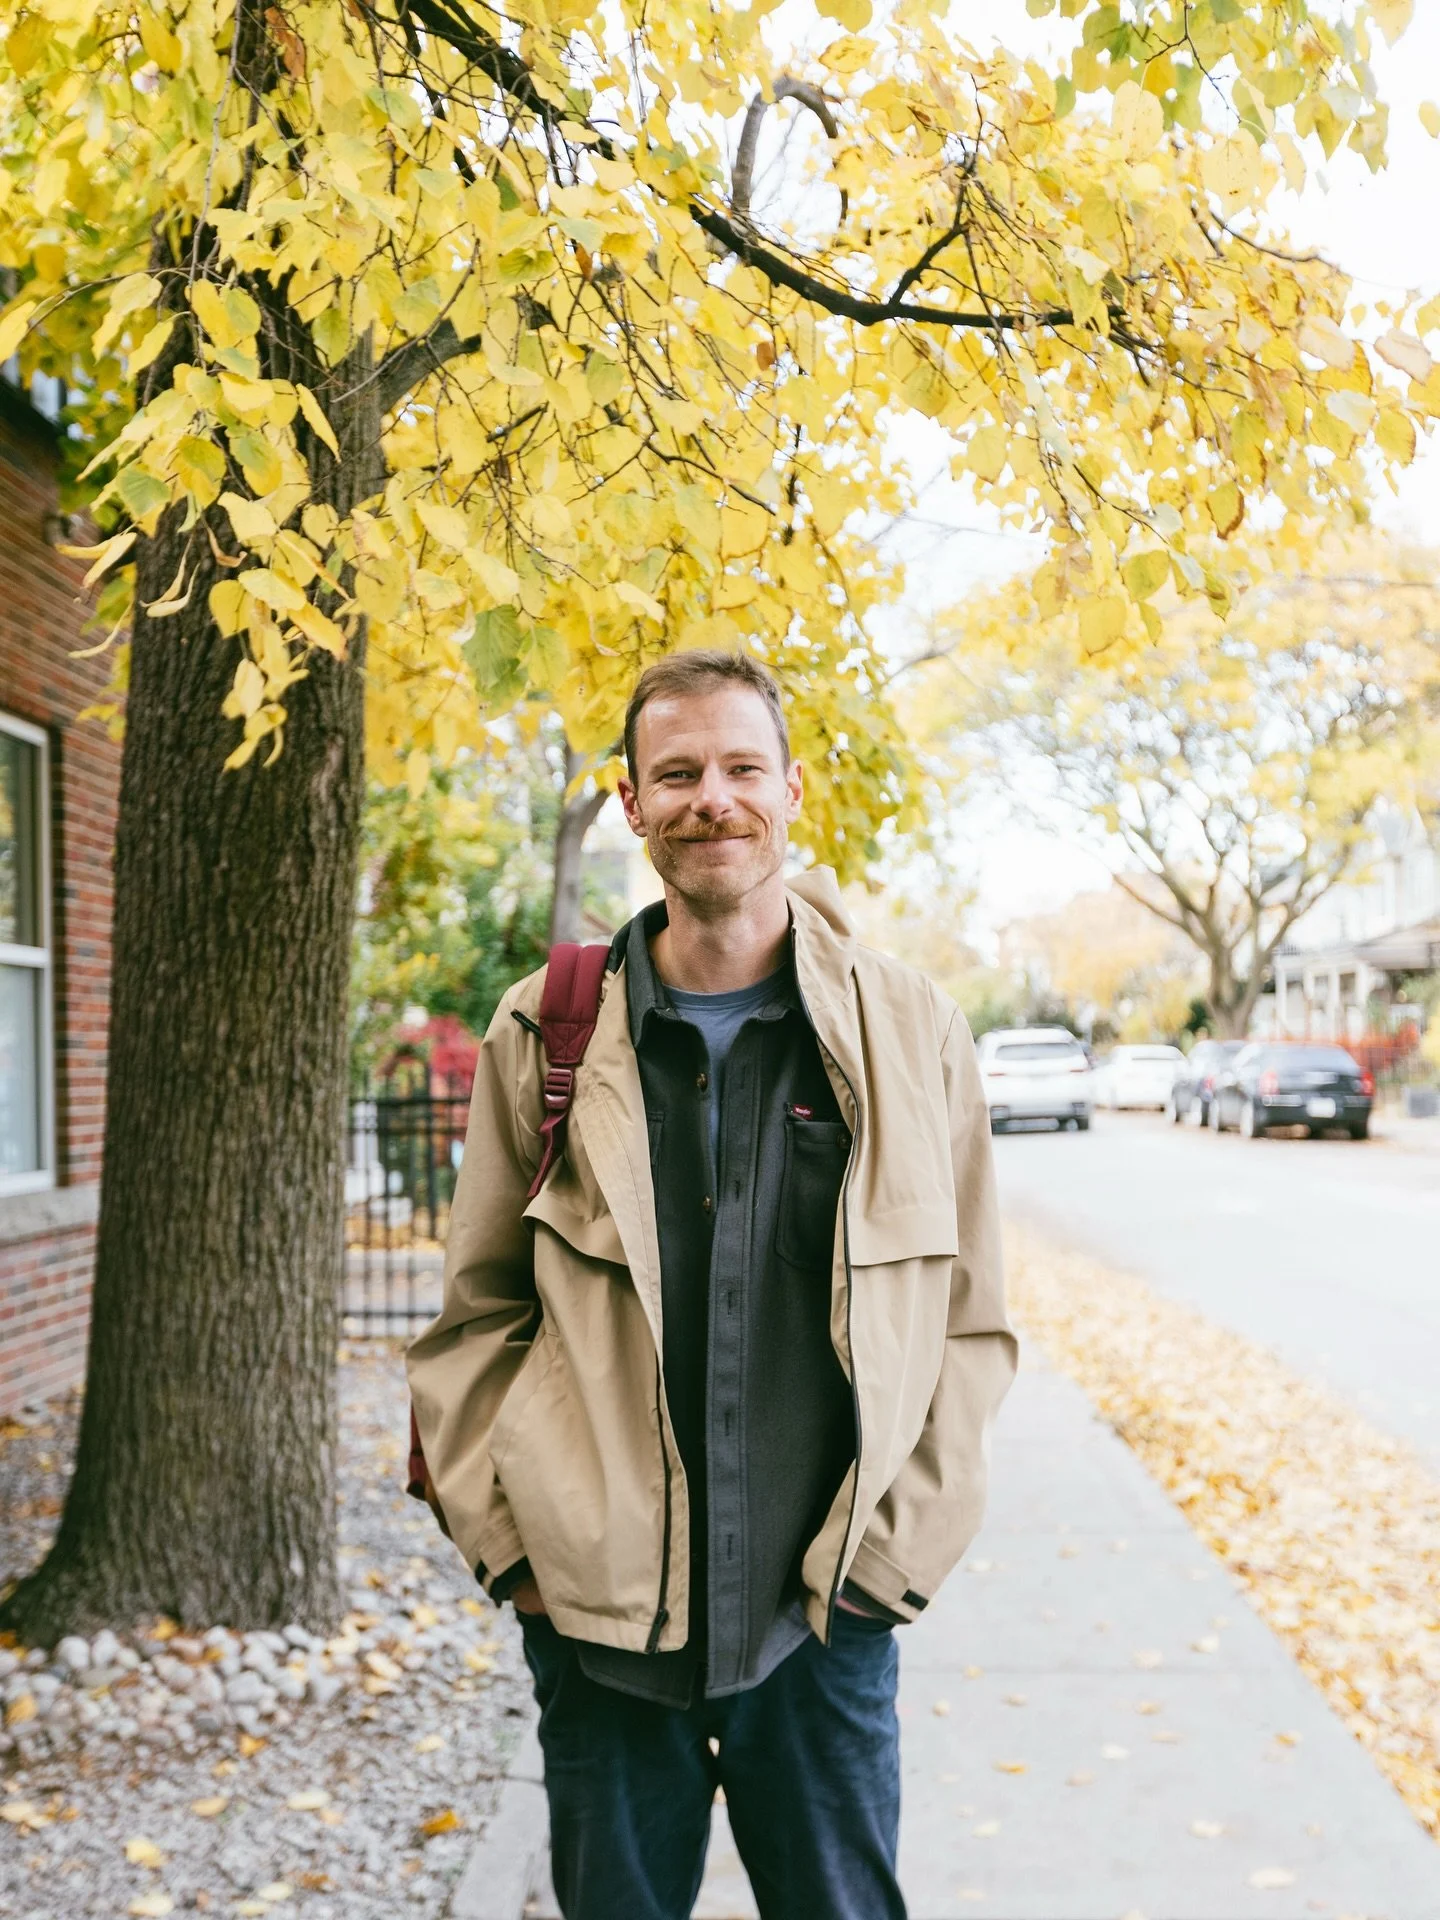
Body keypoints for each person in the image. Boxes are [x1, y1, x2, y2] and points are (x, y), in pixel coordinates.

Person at [407, 650, 1016, 1920]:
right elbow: (477, 1316)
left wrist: (890, 1562)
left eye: (742, 767)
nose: (712, 799)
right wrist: (519, 1559)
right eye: (677, 773)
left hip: (826, 1621)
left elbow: (969, 1322)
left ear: (792, 789)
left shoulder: (912, 1031)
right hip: (602, 1628)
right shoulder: (547, 1030)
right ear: (632, 803)